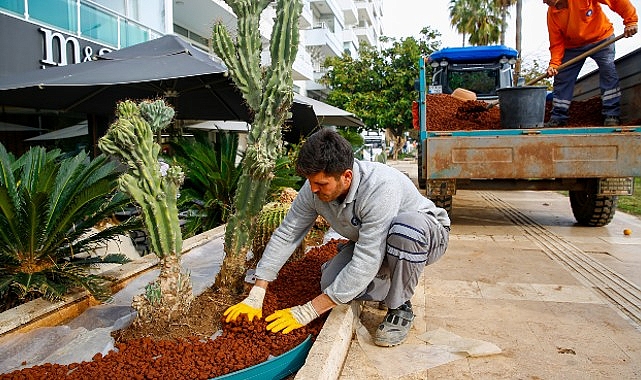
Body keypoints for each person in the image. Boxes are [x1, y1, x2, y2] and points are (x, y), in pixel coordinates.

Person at [223, 128, 450, 347]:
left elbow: (367, 258)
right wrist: (259, 289)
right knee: (331, 284)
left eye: (321, 184)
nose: (313, 189)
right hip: (377, 242)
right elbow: (287, 232)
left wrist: (308, 310)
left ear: (347, 176)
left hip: (425, 236)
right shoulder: (313, 188)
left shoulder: (380, 188)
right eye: (310, 182)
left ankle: (400, 305)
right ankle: (390, 280)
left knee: (404, 231)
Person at [543, 0, 638, 127]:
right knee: (562, 77)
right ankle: (558, 117)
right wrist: (554, 64)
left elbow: (616, 1)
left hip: (601, 38)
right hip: (573, 47)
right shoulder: (552, 14)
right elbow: (556, 43)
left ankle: (611, 114)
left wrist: (630, 21)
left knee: (608, 70)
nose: (544, 2)